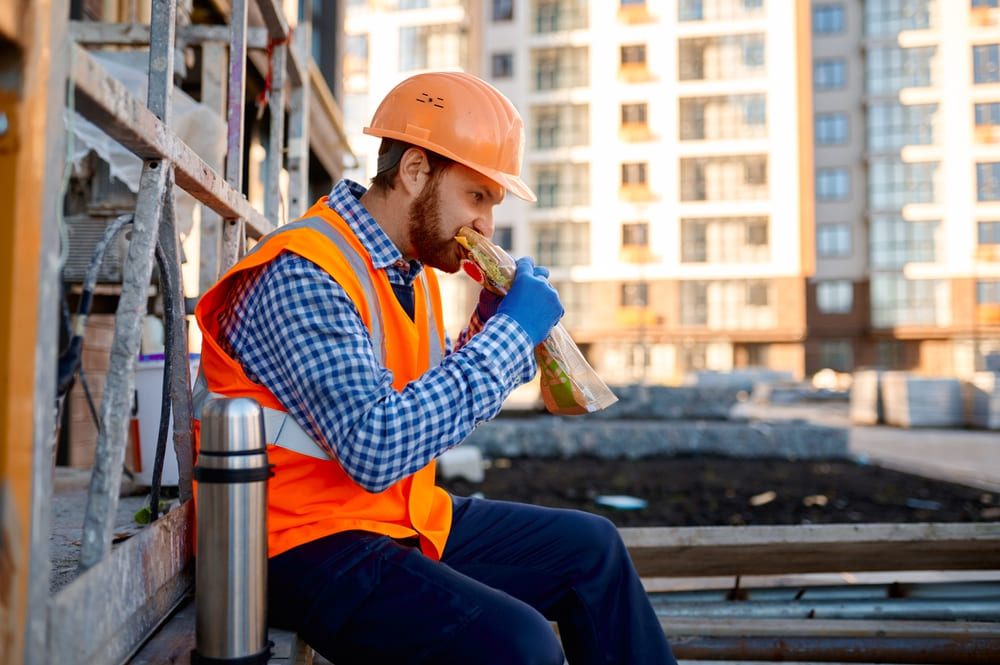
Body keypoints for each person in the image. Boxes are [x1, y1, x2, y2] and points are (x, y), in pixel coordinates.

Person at [193, 71, 677, 665]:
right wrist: (509, 337)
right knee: (520, 646)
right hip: (294, 544)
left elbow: (417, 403)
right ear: (416, 171)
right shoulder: (304, 272)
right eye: (476, 197)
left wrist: (488, 334)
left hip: (386, 517)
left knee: (593, 550)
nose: (486, 228)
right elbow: (376, 445)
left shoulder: (407, 267)